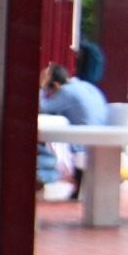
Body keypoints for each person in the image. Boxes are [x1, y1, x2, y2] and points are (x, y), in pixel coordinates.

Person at [40, 62, 109, 199]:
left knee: (41, 140)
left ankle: (43, 178)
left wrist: (40, 86)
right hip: (103, 137)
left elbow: (39, 107)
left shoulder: (66, 92)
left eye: (50, 92)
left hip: (83, 144)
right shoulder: (86, 86)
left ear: (56, 85)